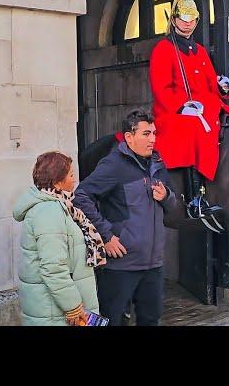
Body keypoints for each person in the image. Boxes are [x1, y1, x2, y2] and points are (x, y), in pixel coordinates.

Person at [73, 108, 177, 326]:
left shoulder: (157, 164)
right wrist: (106, 236)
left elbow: (173, 206)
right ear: (129, 137)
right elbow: (81, 196)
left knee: (151, 320)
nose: (153, 139)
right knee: (112, 321)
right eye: (146, 134)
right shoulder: (113, 165)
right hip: (121, 265)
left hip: (153, 264)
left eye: (154, 133)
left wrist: (166, 196)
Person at [149, 0, 229, 217]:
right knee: (194, 128)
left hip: (206, 107)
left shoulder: (200, 51)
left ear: (196, 22)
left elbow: (210, 84)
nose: (187, 23)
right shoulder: (163, 49)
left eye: (191, 19)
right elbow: (160, 88)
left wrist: (221, 89)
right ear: (174, 18)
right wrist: (181, 106)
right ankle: (196, 194)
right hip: (174, 111)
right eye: (183, 18)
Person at [13, 151, 105, 326]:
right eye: (71, 175)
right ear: (57, 182)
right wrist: (73, 306)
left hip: (55, 309)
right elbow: (53, 267)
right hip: (54, 313)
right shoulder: (49, 211)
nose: (74, 180)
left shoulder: (60, 206)